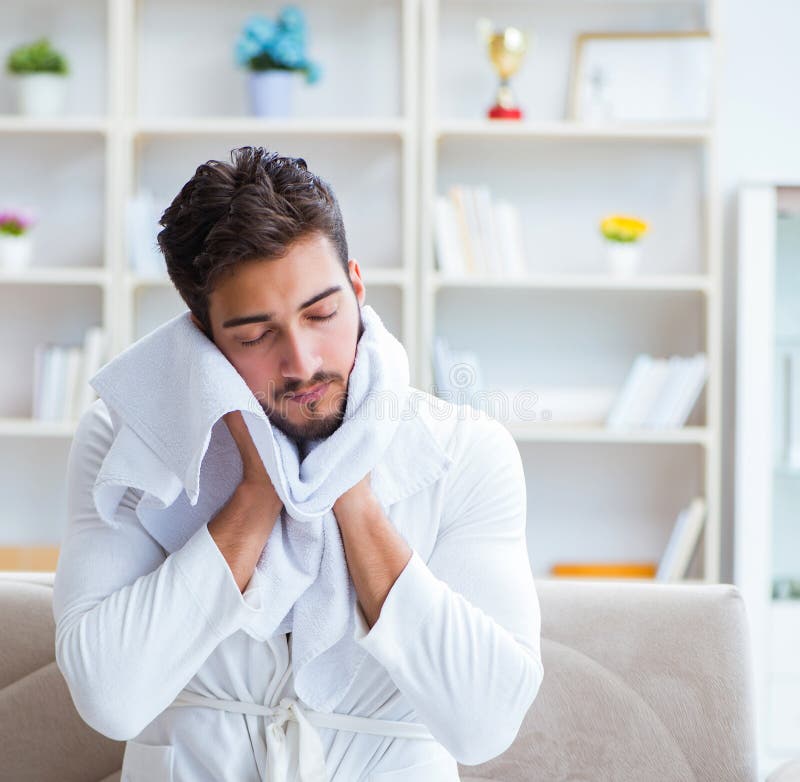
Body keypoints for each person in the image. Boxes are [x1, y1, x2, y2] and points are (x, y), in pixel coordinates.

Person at [52, 146, 543, 782]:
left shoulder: (468, 451)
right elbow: (109, 698)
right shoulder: (124, 445)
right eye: (256, 335)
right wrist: (259, 493)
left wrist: (353, 497)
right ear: (203, 338)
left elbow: (485, 724)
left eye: (323, 313)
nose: (303, 361)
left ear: (358, 288)